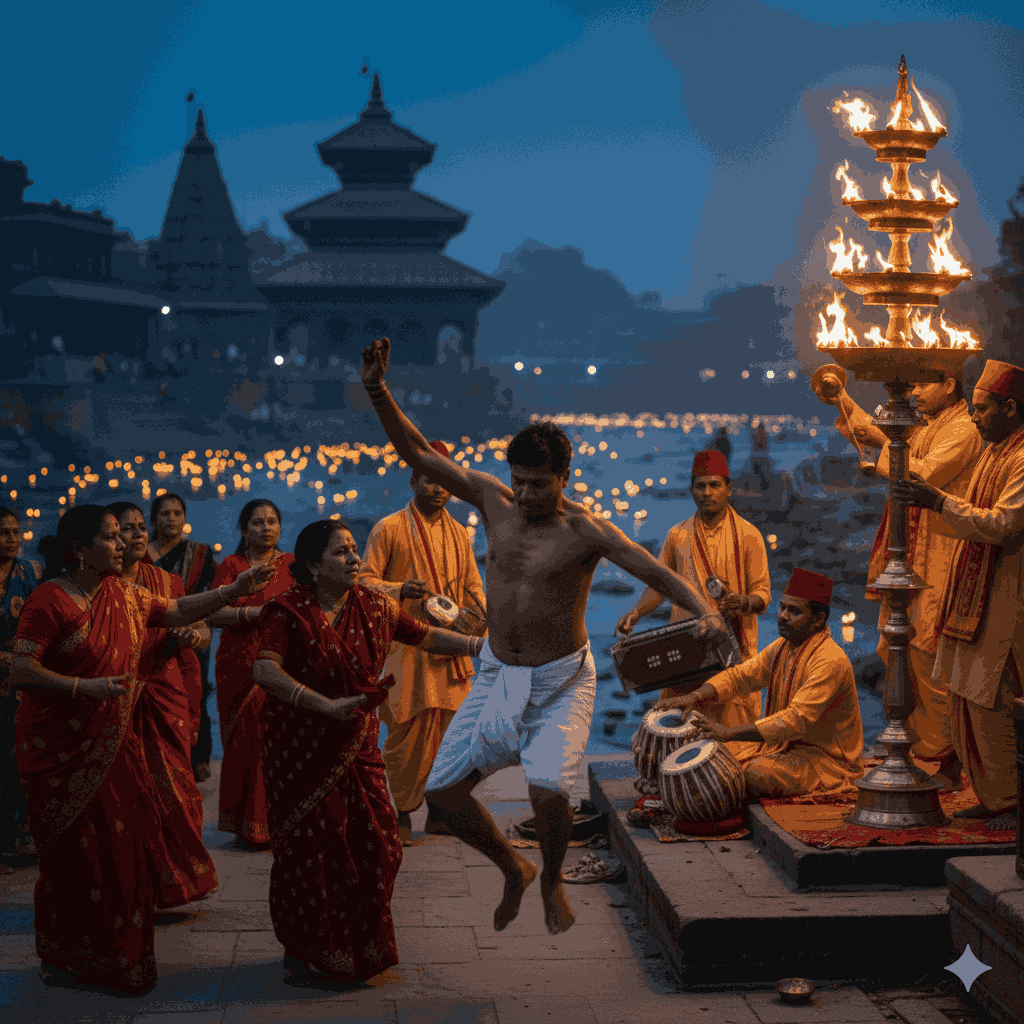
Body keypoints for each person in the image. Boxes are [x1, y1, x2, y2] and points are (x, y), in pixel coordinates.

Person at [360, 336, 723, 935]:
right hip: (499, 673)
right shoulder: (491, 500)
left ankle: (552, 876)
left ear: (564, 477)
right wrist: (378, 390)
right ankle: (514, 869)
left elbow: (655, 570)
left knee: (549, 788)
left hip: (561, 679)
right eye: (520, 481)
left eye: (539, 483)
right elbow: (422, 455)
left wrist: (704, 612)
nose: (527, 494)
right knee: (444, 794)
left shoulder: (588, 531)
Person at [10, 505, 271, 995]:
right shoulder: (49, 600)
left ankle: (116, 959)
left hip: (114, 743)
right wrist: (82, 690)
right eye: (108, 537)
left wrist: (234, 591)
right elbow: (21, 671)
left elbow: (173, 611)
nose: (121, 544)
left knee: (123, 850)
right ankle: (66, 956)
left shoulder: (123, 593)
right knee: (72, 859)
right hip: (62, 750)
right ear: (79, 550)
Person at [253, 519, 485, 987]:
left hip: (357, 747)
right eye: (342, 553)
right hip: (301, 750)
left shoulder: (375, 605)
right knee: (308, 852)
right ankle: (306, 951)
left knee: (379, 843)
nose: (355, 559)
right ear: (314, 566)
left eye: (355, 550)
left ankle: (360, 945)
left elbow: (426, 637)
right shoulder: (285, 612)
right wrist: (322, 705)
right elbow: (263, 669)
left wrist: (482, 646)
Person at [895, 359, 1024, 830]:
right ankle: (994, 798)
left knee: (996, 694)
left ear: (1011, 408)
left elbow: (1005, 523)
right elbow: (971, 511)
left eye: (985, 409)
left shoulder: (1022, 457)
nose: (975, 418)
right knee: (968, 693)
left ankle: (1011, 803)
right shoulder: (994, 450)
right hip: (979, 589)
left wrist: (937, 501)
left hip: (1011, 594)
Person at [835, 374, 982, 786]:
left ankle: (947, 763)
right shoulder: (930, 423)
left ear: (950, 384)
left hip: (941, 554)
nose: (915, 392)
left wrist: (886, 447)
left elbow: (922, 474)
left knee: (929, 655)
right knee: (901, 650)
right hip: (911, 553)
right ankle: (917, 754)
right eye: (914, 386)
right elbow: (877, 434)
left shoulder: (962, 428)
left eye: (924, 384)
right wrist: (840, 397)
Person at [360, 440, 487, 844]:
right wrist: (400, 591)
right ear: (414, 480)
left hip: (451, 650)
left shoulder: (459, 533)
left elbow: (471, 585)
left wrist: (481, 622)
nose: (437, 489)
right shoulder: (389, 528)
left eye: (444, 482)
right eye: (429, 480)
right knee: (405, 733)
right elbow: (362, 584)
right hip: (408, 650)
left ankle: (439, 814)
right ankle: (401, 814)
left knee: (454, 736)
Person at [655, 568, 863, 799]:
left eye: (794, 611)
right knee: (713, 752)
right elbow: (740, 677)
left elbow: (796, 720)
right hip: (780, 749)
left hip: (822, 760)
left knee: (756, 774)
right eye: (782, 607)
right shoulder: (783, 647)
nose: (783, 615)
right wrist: (696, 696)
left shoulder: (830, 660)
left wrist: (730, 732)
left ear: (818, 620)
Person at [616, 449, 770, 760]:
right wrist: (635, 613)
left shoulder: (749, 536)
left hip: (732, 652)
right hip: (687, 650)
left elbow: (763, 595)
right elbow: (658, 589)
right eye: (700, 486)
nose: (707, 493)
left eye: (714, 485)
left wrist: (743, 602)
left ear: (728, 488)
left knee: (735, 746)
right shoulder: (677, 536)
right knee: (680, 733)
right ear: (691, 491)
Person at [109, 501, 218, 908]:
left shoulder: (167, 582)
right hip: (115, 699)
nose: (136, 535)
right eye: (126, 529)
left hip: (164, 694)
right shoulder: (98, 585)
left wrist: (193, 637)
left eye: (140, 527)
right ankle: (138, 886)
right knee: (129, 796)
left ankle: (182, 880)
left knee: (179, 789)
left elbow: (201, 629)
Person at [209, 499, 294, 847]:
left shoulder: (292, 564)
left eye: (272, 521)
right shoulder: (233, 566)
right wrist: (256, 614)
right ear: (244, 531)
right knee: (245, 743)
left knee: (280, 743)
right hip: (238, 665)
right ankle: (247, 824)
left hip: (284, 663)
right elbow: (213, 612)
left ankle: (279, 822)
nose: (266, 528)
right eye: (258, 523)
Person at [148, 492, 219, 783]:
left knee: (195, 694)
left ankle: (197, 757)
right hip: (151, 633)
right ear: (153, 520)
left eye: (178, 513)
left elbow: (215, 594)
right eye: (165, 514)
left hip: (193, 632)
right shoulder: (143, 554)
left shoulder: (200, 554)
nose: (172, 519)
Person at [0, 507, 38, 870]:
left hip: (17, 681)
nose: (12, 539)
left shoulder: (27, 572)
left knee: (17, 758)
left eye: (15, 532)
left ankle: (16, 837)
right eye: (3, 533)